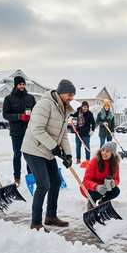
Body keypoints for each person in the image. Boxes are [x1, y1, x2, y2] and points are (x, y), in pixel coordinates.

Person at [21, 79, 75, 232]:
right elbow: (37, 129)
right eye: (69, 94)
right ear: (61, 92)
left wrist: (68, 154)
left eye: (73, 95)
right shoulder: (45, 104)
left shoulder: (63, 109)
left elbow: (63, 134)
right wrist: (54, 147)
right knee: (43, 184)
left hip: (47, 151)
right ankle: (36, 223)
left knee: (56, 182)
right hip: (33, 150)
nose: (71, 98)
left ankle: (50, 216)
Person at [2, 76, 36, 185]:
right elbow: (5, 115)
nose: (22, 86)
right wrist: (19, 117)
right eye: (20, 84)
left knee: (29, 154)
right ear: (16, 85)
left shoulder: (30, 98)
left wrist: (32, 117)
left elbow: (36, 112)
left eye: (23, 84)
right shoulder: (9, 99)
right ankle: (17, 178)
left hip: (29, 131)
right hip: (16, 132)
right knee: (17, 155)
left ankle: (30, 175)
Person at [81, 141, 121, 210]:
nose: (104, 153)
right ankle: (91, 204)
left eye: (107, 151)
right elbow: (86, 181)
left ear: (112, 154)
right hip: (89, 187)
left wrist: (114, 183)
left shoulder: (115, 164)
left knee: (116, 191)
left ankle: (103, 202)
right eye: (103, 150)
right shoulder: (94, 161)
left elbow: (117, 179)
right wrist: (96, 187)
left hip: (104, 186)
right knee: (98, 193)